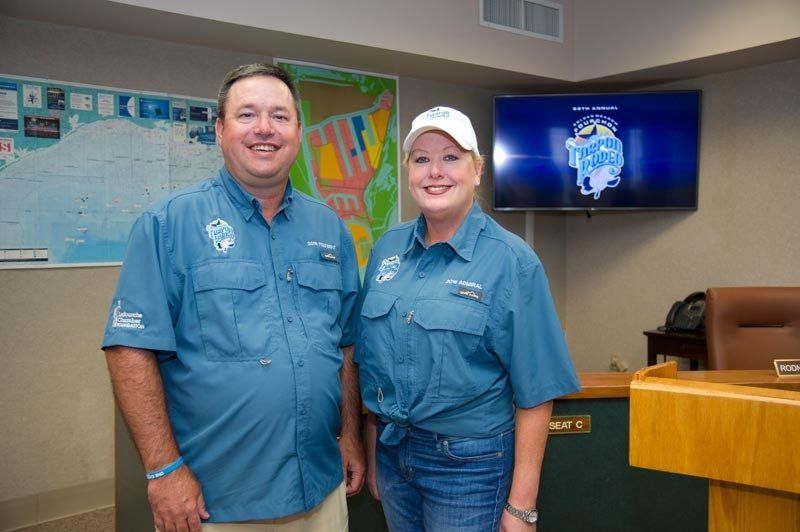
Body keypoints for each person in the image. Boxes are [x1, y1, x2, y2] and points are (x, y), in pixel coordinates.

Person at [102, 63, 365, 532]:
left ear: (299, 133)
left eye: (280, 116)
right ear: (220, 130)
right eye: (247, 114)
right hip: (216, 502)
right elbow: (129, 350)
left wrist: (349, 436)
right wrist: (163, 470)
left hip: (321, 490)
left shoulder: (330, 228)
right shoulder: (168, 225)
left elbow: (344, 344)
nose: (264, 128)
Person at [356, 106, 580, 531]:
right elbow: (370, 361)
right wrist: (373, 450)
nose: (434, 171)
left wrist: (521, 508)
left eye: (451, 157)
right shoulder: (387, 249)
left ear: (477, 171)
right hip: (392, 454)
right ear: (408, 172)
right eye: (421, 159)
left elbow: (537, 392)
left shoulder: (512, 261)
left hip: (469, 465)